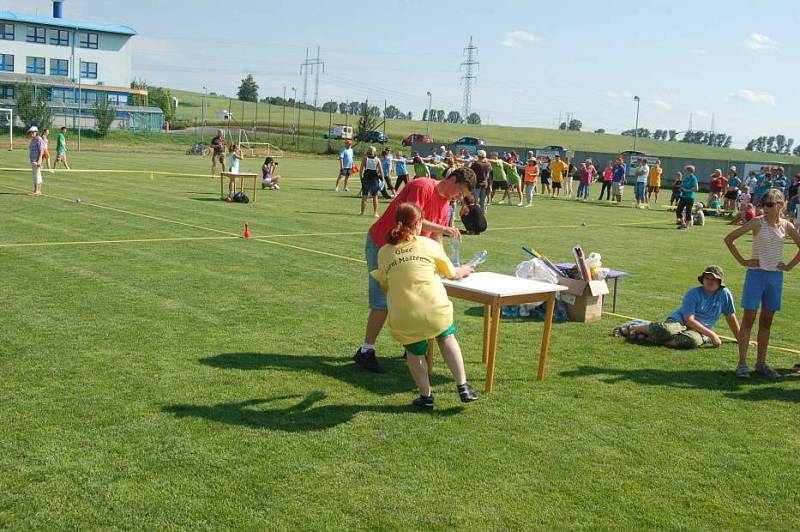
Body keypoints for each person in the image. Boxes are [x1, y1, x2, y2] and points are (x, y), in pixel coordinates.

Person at [354, 168, 476, 373]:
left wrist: (443, 264)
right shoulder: (422, 186)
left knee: (418, 299)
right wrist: (443, 229)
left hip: (408, 253)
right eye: (460, 191)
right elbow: (410, 222)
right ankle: (366, 351)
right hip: (383, 245)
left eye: (463, 195)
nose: (459, 197)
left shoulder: (446, 204)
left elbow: (435, 238)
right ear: (452, 179)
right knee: (381, 303)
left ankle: (413, 347)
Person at [370, 202, 478, 408]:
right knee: (447, 339)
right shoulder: (429, 245)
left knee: (415, 353)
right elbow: (452, 273)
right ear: (418, 223)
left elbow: (385, 285)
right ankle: (462, 385)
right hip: (435, 309)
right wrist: (464, 269)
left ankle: (426, 397)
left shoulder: (384, 251)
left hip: (404, 315)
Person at [725, 189, 800, 379]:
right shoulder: (757, 222)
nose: (764, 208)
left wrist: (790, 266)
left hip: (775, 277)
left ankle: (761, 363)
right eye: (763, 204)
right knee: (749, 318)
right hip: (756, 276)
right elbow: (729, 239)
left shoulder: (786, 225)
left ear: (780, 205)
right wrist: (743, 261)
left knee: (767, 321)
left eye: (769, 204)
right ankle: (742, 364)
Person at [613, 266, 739, 349]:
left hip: (700, 331)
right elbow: (689, 319)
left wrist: (741, 339)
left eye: (714, 279)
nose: (709, 281)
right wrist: (712, 335)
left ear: (720, 282)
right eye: (707, 278)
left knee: (692, 341)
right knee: (667, 330)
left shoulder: (724, 294)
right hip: (681, 322)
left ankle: (649, 336)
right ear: (703, 279)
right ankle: (632, 326)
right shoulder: (693, 293)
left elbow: (730, 317)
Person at [359, 146, 385, 217]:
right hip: (374, 179)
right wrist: (382, 180)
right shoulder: (377, 159)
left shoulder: (365, 158)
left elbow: (361, 170)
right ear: (375, 152)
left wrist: (361, 178)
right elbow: (381, 171)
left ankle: (362, 212)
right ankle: (375, 213)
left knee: (364, 195)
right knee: (375, 196)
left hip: (366, 178)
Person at [677, 165, 699, 230]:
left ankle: (687, 225)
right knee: (678, 210)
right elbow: (683, 185)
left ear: (689, 171)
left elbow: (696, 189)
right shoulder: (686, 178)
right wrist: (681, 188)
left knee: (688, 211)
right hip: (683, 196)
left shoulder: (694, 178)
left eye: (686, 170)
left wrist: (686, 190)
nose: (685, 171)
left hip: (690, 197)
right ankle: (683, 223)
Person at [28, 126, 45, 196]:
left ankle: (37, 190)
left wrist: (40, 160)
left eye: (33, 132)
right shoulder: (33, 140)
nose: (31, 133)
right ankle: (36, 190)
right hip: (32, 160)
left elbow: (42, 150)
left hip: (37, 160)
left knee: (37, 175)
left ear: (36, 132)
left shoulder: (39, 139)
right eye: (30, 132)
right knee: (35, 175)